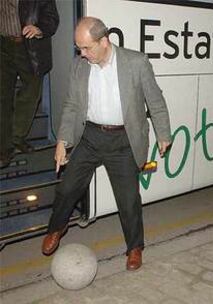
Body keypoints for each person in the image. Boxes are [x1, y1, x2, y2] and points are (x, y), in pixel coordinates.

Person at [41, 17, 172, 271]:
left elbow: (155, 100)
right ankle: (56, 227)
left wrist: (163, 133)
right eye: (79, 48)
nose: (82, 53)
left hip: (122, 140)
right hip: (89, 137)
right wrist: (62, 141)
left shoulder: (136, 62)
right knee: (67, 188)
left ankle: (135, 247)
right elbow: (71, 105)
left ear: (104, 41)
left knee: (128, 199)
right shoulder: (80, 67)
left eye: (87, 47)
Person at [0, 0, 59, 168]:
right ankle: (4, 147)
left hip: (28, 47)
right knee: (2, 98)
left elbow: (52, 18)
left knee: (32, 93)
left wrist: (39, 29)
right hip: (2, 46)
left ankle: (17, 136)